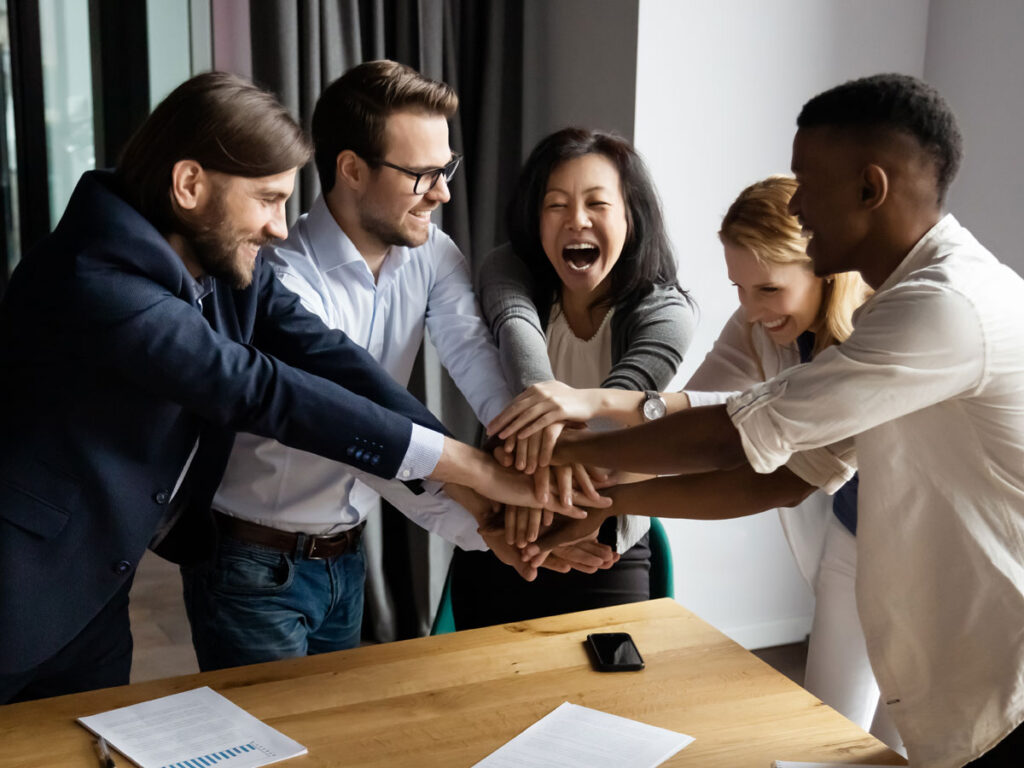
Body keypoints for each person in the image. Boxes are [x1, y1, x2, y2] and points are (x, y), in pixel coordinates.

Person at [0, 72, 588, 705]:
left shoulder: (212, 253)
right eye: (268, 200)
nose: (281, 228)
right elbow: (263, 390)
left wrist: (465, 478)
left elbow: (332, 360)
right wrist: (471, 470)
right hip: (17, 582)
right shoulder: (99, 276)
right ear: (190, 185)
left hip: (93, 592)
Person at [512, 74, 1024, 766]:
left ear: (871, 188)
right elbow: (782, 479)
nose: (799, 205)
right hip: (959, 667)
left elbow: (734, 435)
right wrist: (610, 502)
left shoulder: (944, 306)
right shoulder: (898, 306)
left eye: (807, 182)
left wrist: (562, 459)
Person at [181, 61, 613, 671]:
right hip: (253, 565)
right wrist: (487, 514)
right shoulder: (284, 279)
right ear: (352, 169)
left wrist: (533, 456)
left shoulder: (432, 253)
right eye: (423, 175)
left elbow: (474, 356)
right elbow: (360, 436)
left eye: (447, 168)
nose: (443, 192)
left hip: (347, 554)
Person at [490, 175, 897, 744]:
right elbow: (692, 427)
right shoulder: (760, 324)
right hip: (854, 535)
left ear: (824, 265)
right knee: (831, 733)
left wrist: (591, 414)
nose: (751, 311)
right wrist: (591, 495)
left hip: (932, 551)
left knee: (909, 740)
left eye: (769, 290)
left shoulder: (876, 341)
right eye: (739, 288)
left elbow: (749, 453)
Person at [448, 127, 696, 628]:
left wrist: (536, 487)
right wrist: (531, 499)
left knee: (609, 696)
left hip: (602, 538)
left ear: (631, 215)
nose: (576, 220)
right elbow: (530, 377)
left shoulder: (666, 312)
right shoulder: (508, 270)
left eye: (597, 204)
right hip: (509, 532)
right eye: (555, 205)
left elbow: (613, 416)